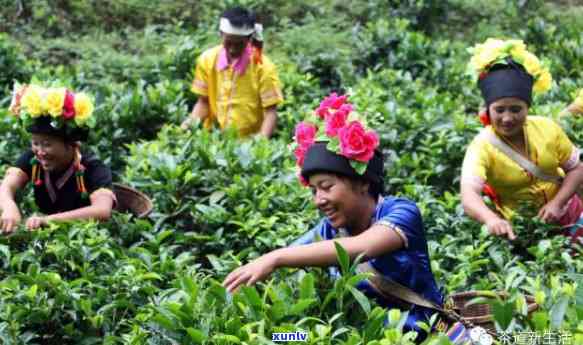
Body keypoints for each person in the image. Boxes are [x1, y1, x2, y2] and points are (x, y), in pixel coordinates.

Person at [223, 93, 443, 338]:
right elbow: (294, 256)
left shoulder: (401, 212)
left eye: (326, 187)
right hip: (358, 336)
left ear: (362, 183)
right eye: (314, 190)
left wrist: (274, 258)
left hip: (424, 335)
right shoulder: (328, 230)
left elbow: (361, 246)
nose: (319, 199)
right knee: (283, 338)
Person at [461, 39, 583, 246]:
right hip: (525, 230)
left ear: (527, 108)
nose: (507, 118)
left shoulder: (546, 128)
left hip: (571, 214)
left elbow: (576, 168)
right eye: (499, 110)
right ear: (488, 111)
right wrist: (491, 219)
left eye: (516, 109)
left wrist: (557, 202)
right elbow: (469, 195)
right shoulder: (481, 146)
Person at [0, 83, 116, 233]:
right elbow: (5, 187)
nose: (40, 152)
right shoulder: (33, 159)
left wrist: (47, 220)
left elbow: (102, 211)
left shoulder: (93, 167)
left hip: (86, 236)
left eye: (47, 144)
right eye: (36, 143)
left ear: (71, 144)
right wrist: (9, 208)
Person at [181, 6, 284, 138]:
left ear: (249, 39)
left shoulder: (263, 67)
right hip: (214, 139)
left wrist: (260, 143)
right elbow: (203, 102)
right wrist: (185, 128)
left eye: (239, 44)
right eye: (228, 42)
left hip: (248, 142)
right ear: (221, 34)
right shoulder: (207, 60)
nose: (232, 49)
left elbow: (271, 112)